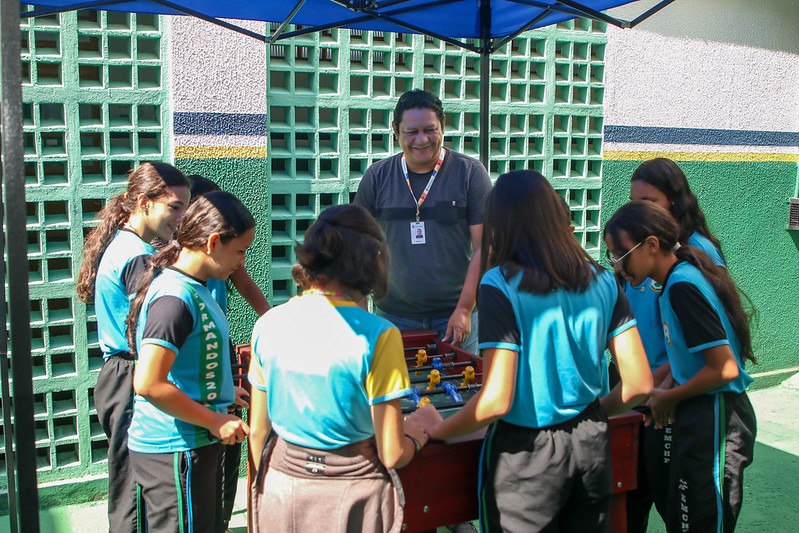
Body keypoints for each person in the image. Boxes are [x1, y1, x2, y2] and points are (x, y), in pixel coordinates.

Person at [410, 170, 653, 532]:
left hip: (526, 456)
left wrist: (441, 429)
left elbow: (495, 401)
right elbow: (639, 385)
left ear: (500, 224)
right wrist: (590, 415)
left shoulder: (500, 283)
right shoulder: (604, 279)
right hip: (591, 446)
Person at [247, 204, 429, 533]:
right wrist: (418, 431)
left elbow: (258, 433)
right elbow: (391, 453)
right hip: (353, 492)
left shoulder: (268, 324)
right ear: (374, 260)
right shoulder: (380, 335)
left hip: (281, 485)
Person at [604, 200, 757, 533]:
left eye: (621, 254)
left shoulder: (682, 286)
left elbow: (725, 369)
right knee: (682, 515)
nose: (617, 266)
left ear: (652, 245)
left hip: (717, 414)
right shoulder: (672, 284)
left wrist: (671, 397)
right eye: (612, 256)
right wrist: (611, 407)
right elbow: (678, 363)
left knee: (702, 520)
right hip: (698, 412)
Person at [125, 191, 254, 532]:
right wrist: (213, 419)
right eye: (240, 251)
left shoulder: (197, 288)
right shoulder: (175, 298)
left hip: (194, 442)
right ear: (213, 242)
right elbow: (149, 384)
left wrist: (223, 394)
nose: (241, 262)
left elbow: (191, 363)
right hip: (175, 448)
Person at [76, 162, 191, 533]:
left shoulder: (127, 244)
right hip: (130, 376)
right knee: (132, 494)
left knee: (129, 486)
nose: (181, 217)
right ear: (143, 202)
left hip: (122, 374)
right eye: (174, 207)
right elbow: (148, 330)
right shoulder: (136, 256)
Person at [616, 157, 726, 532]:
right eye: (635, 202)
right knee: (634, 495)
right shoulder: (648, 261)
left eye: (650, 201)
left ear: (675, 203)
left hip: (678, 393)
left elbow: (719, 359)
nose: (640, 210)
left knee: (682, 505)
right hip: (653, 388)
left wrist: (665, 389)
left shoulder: (688, 263)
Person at [353, 89, 492, 354]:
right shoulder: (377, 177)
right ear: (396, 131)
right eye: (411, 132)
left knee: (462, 391)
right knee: (395, 394)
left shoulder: (470, 173)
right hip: (392, 317)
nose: (421, 140)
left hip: (456, 318)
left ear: (443, 126)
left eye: (430, 130)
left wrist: (464, 309)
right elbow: (357, 248)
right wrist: (363, 314)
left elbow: (483, 248)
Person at [185, 175, 270, 531]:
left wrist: (274, 320)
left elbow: (246, 282)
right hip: (195, 375)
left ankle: (219, 517)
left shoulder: (226, 261)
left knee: (225, 458)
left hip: (220, 356)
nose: (241, 259)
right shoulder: (181, 285)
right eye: (239, 250)